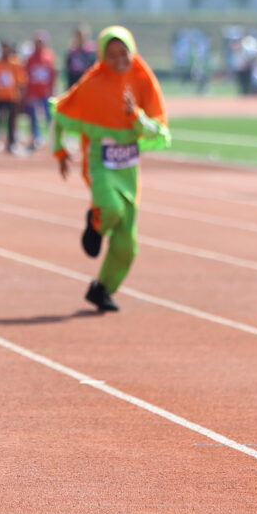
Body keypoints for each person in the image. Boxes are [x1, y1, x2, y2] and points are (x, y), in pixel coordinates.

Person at [51, 26, 171, 312]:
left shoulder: (143, 80)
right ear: (103, 56)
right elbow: (62, 111)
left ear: (132, 51)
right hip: (100, 162)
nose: (119, 59)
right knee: (111, 209)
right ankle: (94, 223)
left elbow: (157, 129)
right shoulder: (92, 83)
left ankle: (102, 288)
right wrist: (59, 149)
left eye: (123, 52)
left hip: (129, 169)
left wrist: (136, 116)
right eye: (112, 54)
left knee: (127, 245)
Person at [0, 40, 27, 154]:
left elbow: (21, 79)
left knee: (12, 120)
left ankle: (11, 142)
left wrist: (19, 91)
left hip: (12, 97)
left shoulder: (15, 63)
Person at [24, 30, 56, 149]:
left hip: (45, 92)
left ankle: (52, 138)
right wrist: (27, 92)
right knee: (33, 116)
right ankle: (36, 137)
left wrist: (52, 89)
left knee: (49, 115)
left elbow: (53, 73)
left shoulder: (49, 56)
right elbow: (26, 75)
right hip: (33, 92)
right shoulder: (30, 58)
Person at [64, 25, 97, 89]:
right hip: (74, 83)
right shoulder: (72, 53)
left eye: (82, 35)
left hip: (88, 83)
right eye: (78, 35)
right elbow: (68, 71)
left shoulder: (90, 52)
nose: (80, 38)